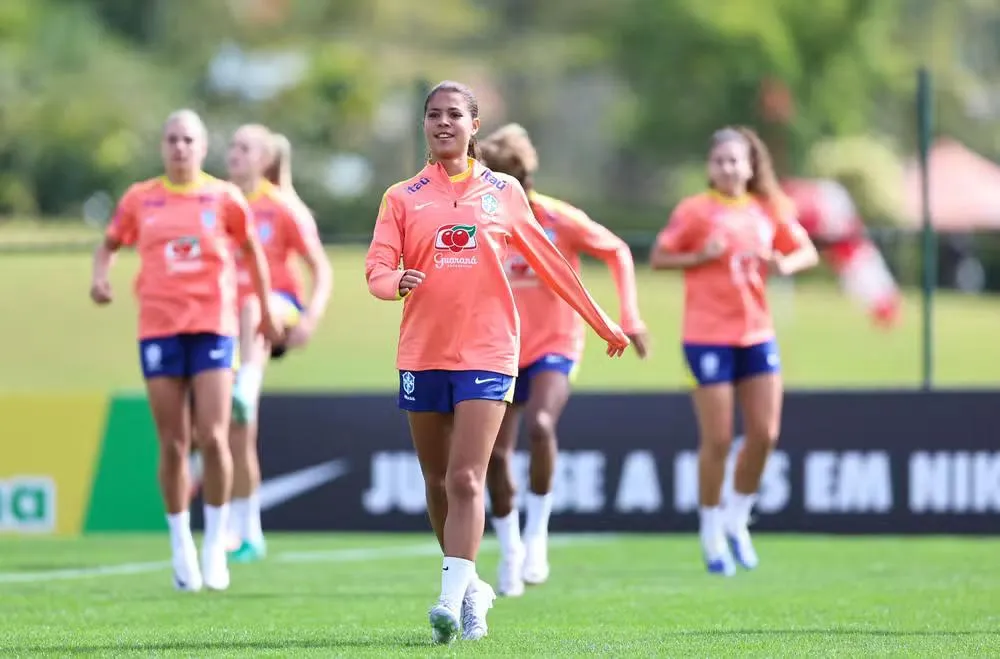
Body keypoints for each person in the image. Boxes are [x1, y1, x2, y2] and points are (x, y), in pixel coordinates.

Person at [365, 81, 630, 644]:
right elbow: (377, 269)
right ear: (424, 125)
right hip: (422, 353)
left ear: (474, 125)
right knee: (436, 482)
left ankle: (446, 598)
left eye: (454, 115)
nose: (443, 123)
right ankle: (473, 588)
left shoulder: (503, 192)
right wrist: (396, 283)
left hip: (489, 351)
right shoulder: (401, 197)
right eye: (434, 115)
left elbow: (553, 264)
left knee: (467, 477)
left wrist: (601, 320)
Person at [90, 109, 282, 592]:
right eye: (172, 139)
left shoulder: (223, 196)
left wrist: (264, 309)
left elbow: (254, 255)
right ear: (163, 146)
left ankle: (216, 544)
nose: (179, 147)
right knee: (174, 441)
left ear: (201, 147)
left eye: (188, 140)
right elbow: (109, 243)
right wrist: (100, 278)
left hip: (214, 327)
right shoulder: (141, 198)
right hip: (158, 329)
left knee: (214, 435)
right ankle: (181, 546)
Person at [478, 124, 649, 597]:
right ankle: (509, 546)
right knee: (494, 453)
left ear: (520, 176)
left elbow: (616, 250)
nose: (490, 183)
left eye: (498, 174)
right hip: (501, 348)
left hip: (555, 343)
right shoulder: (484, 219)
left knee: (542, 426)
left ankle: (537, 536)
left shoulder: (555, 218)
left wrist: (628, 316)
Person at [650, 126, 818, 576]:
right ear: (710, 166)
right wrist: (700, 256)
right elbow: (660, 257)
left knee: (765, 435)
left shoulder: (768, 208)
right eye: (719, 160)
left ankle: (737, 519)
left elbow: (805, 249)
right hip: (706, 336)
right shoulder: (695, 210)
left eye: (735, 160)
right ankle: (710, 531)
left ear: (749, 165)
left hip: (757, 333)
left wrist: (786, 263)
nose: (727, 168)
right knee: (719, 439)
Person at [225, 124, 333, 562]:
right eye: (232, 145)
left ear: (266, 158)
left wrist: (310, 318)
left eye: (245, 147)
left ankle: (247, 384)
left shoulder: (282, 207)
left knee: (254, 303)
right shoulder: (218, 201)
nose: (234, 153)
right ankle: (246, 531)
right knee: (235, 433)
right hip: (224, 322)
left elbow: (320, 269)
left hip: (277, 309)